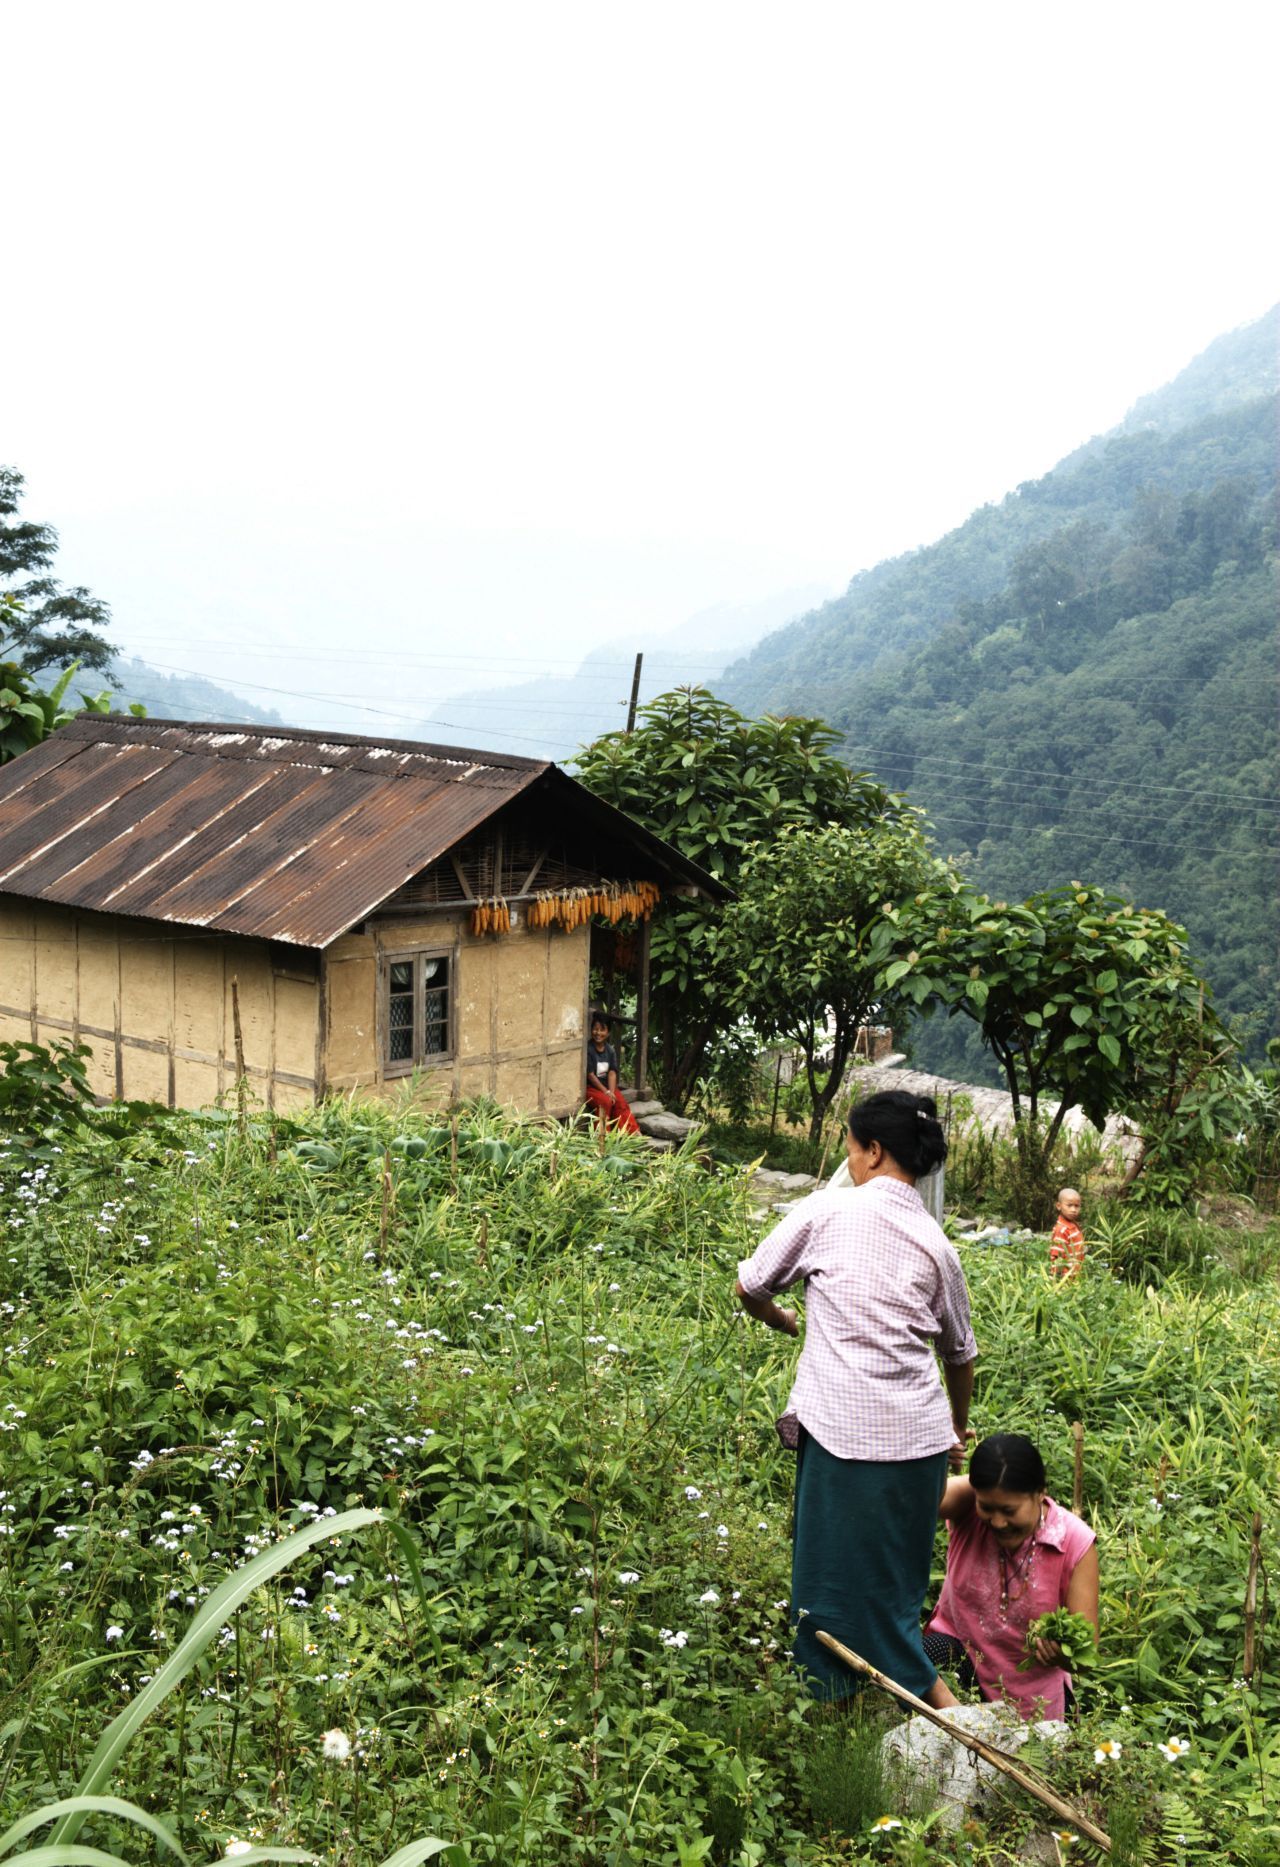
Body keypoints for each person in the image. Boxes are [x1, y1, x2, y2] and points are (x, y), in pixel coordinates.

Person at [735, 1090, 978, 1709]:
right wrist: (956, 1427)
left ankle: (951, 1725)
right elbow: (960, 1354)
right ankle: (905, 1712)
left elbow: (751, 1284)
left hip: (845, 1437)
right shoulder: (936, 1244)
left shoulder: (828, 1213)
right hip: (919, 1444)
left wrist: (782, 1320)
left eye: (851, 1145)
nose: (849, 1157)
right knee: (893, 1592)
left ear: (873, 1151)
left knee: (829, 1588)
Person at [924, 1433, 1098, 1720]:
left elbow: (1086, 1655)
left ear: (1040, 1492)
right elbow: (921, 1499)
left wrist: (1062, 1654)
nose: (998, 1522)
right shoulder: (968, 1506)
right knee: (928, 1652)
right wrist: (938, 1459)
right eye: (987, 1508)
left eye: (1009, 1511)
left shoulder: (1074, 1543)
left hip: (1034, 1703)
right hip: (959, 1671)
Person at [584, 1013, 640, 1134]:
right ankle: (603, 1137)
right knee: (605, 1102)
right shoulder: (588, 1049)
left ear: (608, 1033)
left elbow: (612, 1073)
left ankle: (632, 1133)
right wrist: (606, 1092)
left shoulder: (610, 1050)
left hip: (606, 1088)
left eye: (602, 1030)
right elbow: (590, 1075)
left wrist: (612, 1092)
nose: (598, 1033)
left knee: (619, 1101)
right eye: (595, 1029)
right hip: (591, 1088)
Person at [1049, 1187, 1086, 1281]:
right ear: (1059, 1206)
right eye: (1069, 1205)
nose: (1073, 1209)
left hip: (1076, 1275)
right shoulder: (1061, 1230)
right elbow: (1057, 1258)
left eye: (1077, 1206)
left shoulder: (1074, 1225)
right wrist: (1058, 1279)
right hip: (1066, 1278)